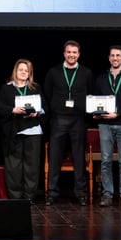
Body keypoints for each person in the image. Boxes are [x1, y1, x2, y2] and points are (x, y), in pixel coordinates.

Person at [42, 40, 94, 206]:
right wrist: (56, 110)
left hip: (78, 120)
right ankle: (52, 193)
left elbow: (91, 94)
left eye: (74, 52)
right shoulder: (54, 72)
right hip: (59, 119)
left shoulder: (86, 72)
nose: (71, 55)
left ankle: (80, 193)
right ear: (64, 53)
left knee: (79, 158)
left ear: (78, 54)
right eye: (68, 52)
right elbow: (48, 94)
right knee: (55, 157)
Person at [92, 45, 121, 208]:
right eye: (112, 55)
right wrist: (96, 112)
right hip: (104, 124)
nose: (115, 58)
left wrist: (117, 114)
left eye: (118, 55)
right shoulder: (100, 79)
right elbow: (96, 100)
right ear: (109, 58)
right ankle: (107, 194)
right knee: (105, 161)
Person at [0, 59, 45, 203]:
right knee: (13, 167)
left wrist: (37, 112)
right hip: (13, 132)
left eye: (27, 70)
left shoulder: (35, 88)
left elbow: (44, 107)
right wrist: (13, 110)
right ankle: (15, 198)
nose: (24, 72)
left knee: (32, 166)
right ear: (15, 71)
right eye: (21, 69)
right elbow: (0, 108)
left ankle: (29, 196)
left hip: (33, 131)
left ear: (30, 73)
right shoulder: (6, 88)